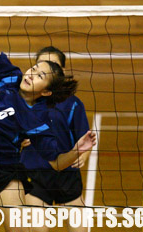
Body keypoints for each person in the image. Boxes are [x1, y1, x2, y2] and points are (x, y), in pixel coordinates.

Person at [0, 17, 96, 232]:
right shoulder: (10, 77)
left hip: (7, 174)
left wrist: (77, 150)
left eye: (40, 76)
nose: (31, 74)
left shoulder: (38, 120)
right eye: (34, 68)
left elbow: (56, 163)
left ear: (46, 91)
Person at [20, 46, 91, 232]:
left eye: (53, 66)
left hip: (66, 174)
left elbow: (84, 136)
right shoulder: (22, 102)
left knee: (80, 228)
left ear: (62, 73)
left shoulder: (73, 104)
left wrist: (84, 154)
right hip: (34, 174)